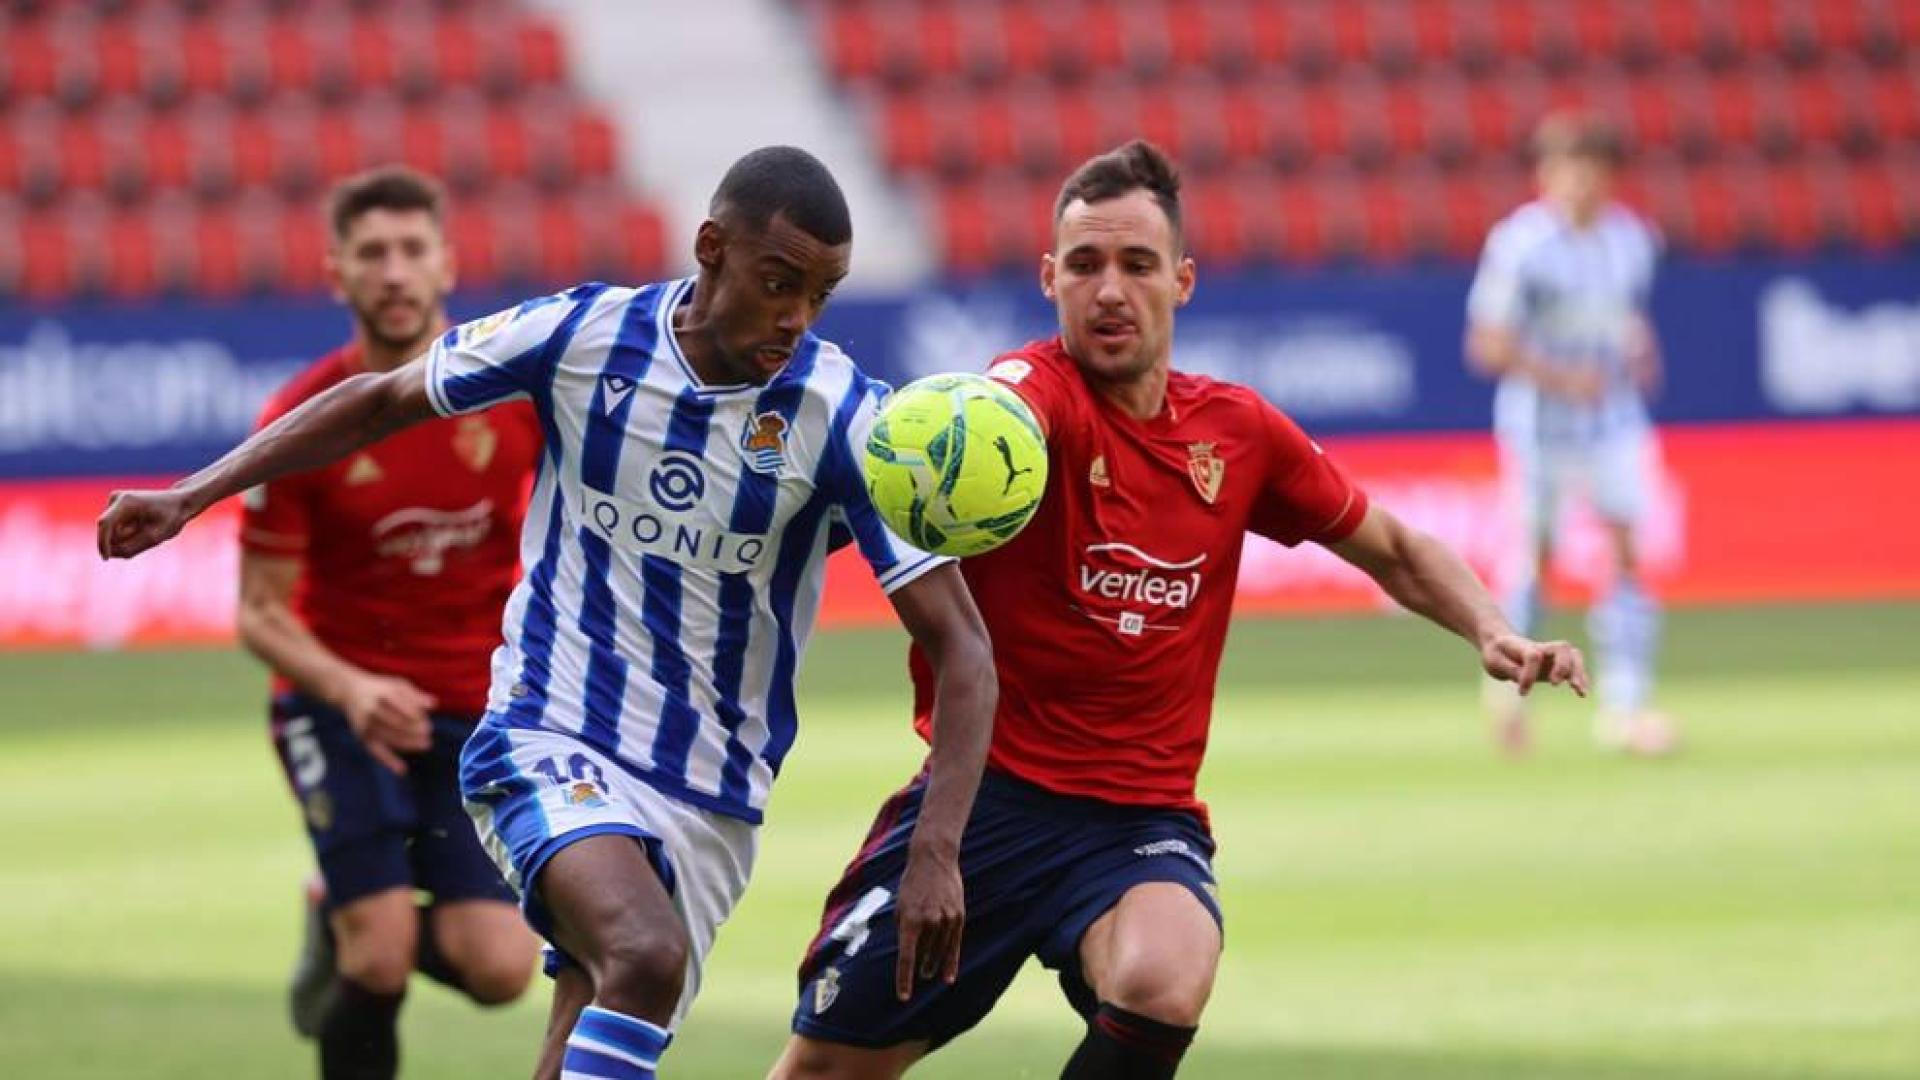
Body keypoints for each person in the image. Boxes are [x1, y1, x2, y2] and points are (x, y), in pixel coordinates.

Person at [98, 146, 996, 1080]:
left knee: (581, 1032)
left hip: (713, 792)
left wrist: (939, 850)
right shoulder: (586, 337)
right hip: (551, 726)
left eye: (821, 293)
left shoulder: (843, 411)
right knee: (644, 958)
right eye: (779, 283)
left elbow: (964, 648)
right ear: (711, 248)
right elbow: (382, 400)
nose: (796, 317)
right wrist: (190, 493)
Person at [770, 140, 1588, 1080]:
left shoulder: (1236, 433)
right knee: (822, 1072)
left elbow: (1393, 547)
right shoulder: (1037, 400)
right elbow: (994, 413)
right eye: (1084, 266)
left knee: (1166, 972)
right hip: (984, 806)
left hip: (1137, 821)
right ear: (1050, 278)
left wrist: (1493, 628)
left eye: (1136, 265)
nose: (1109, 289)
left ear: (1183, 280)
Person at [238, 166, 541, 1079]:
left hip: (471, 714)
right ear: (338, 274)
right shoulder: (299, 420)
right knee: (381, 959)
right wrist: (352, 687)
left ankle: (338, 908)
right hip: (336, 706)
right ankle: (356, 924)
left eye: (414, 250)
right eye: (373, 254)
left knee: (501, 971)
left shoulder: (511, 397)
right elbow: (258, 614)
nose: (396, 271)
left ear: (448, 263)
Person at [1465, 111, 1675, 757]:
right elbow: (1487, 345)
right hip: (1540, 424)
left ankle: (1627, 706)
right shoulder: (1521, 245)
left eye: (1593, 172)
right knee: (1536, 558)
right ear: (1546, 175)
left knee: (1627, 551)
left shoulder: (1633, 241)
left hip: (1612, 419)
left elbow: (1624, 318)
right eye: (1567, 171)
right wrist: (1560, 377)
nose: (1580, 184)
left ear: (1610, 178)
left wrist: (1640, 350)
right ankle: (1510, 694)